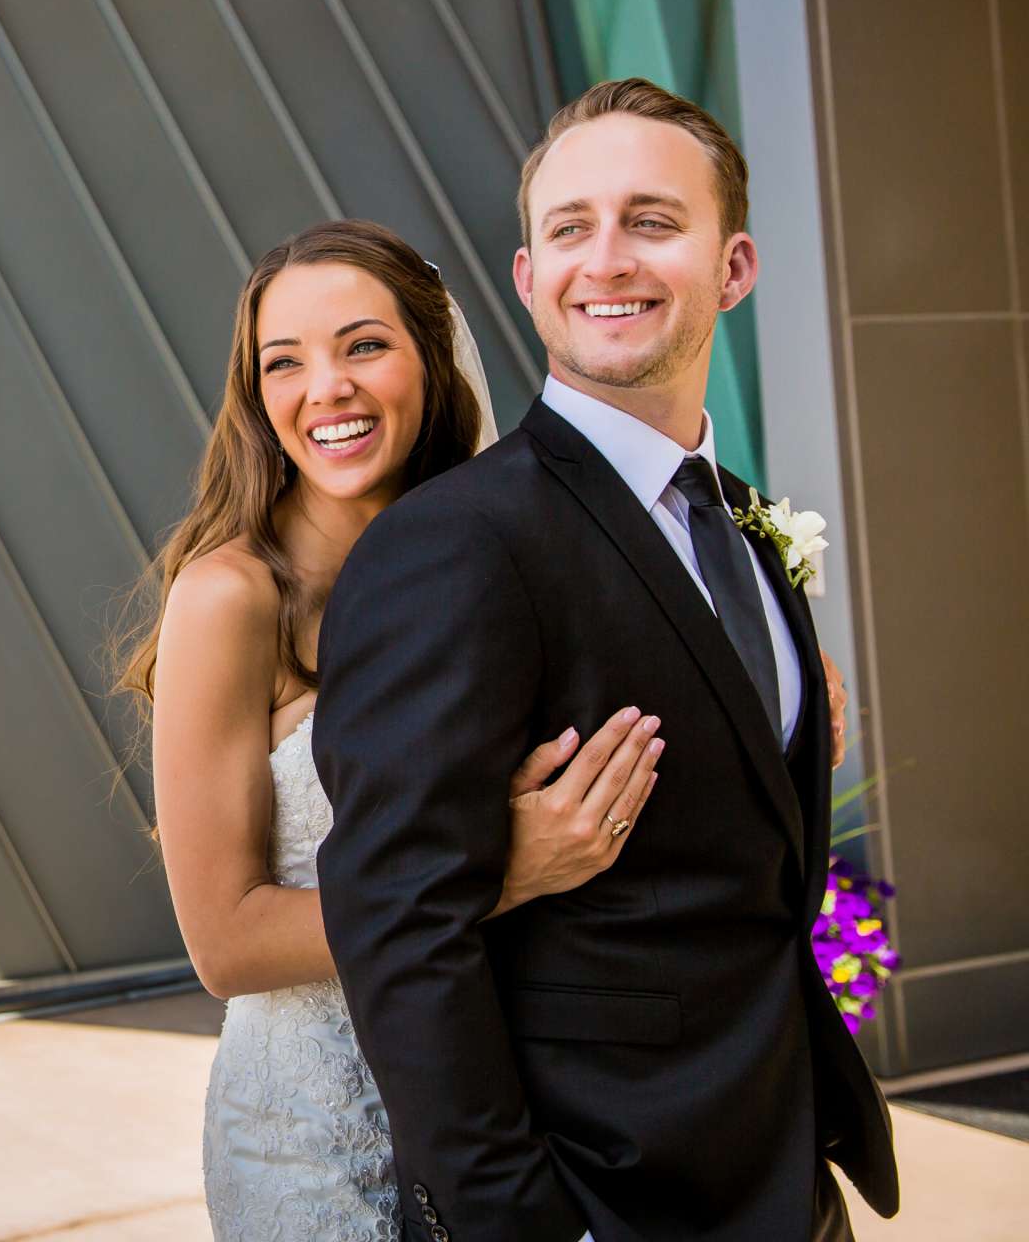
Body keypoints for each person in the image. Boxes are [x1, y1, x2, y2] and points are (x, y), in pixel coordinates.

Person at [312, 78, 897, 1241]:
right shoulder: (455, 542)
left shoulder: (741, 519)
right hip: (600, 1200)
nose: (607, 258)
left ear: (733, 267)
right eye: (571, 228)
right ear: (529, 278)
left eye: (652, 221)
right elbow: (398, 925)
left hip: (783, 1175)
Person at [125, 218, 683, 1240]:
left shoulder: (498, 558)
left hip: (509, 1117)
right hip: (318, 1141)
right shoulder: (230, 597)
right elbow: (226, 943)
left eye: (363, 345)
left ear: (432, 360)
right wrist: (499, 869)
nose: (324, 387)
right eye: (282, 362)